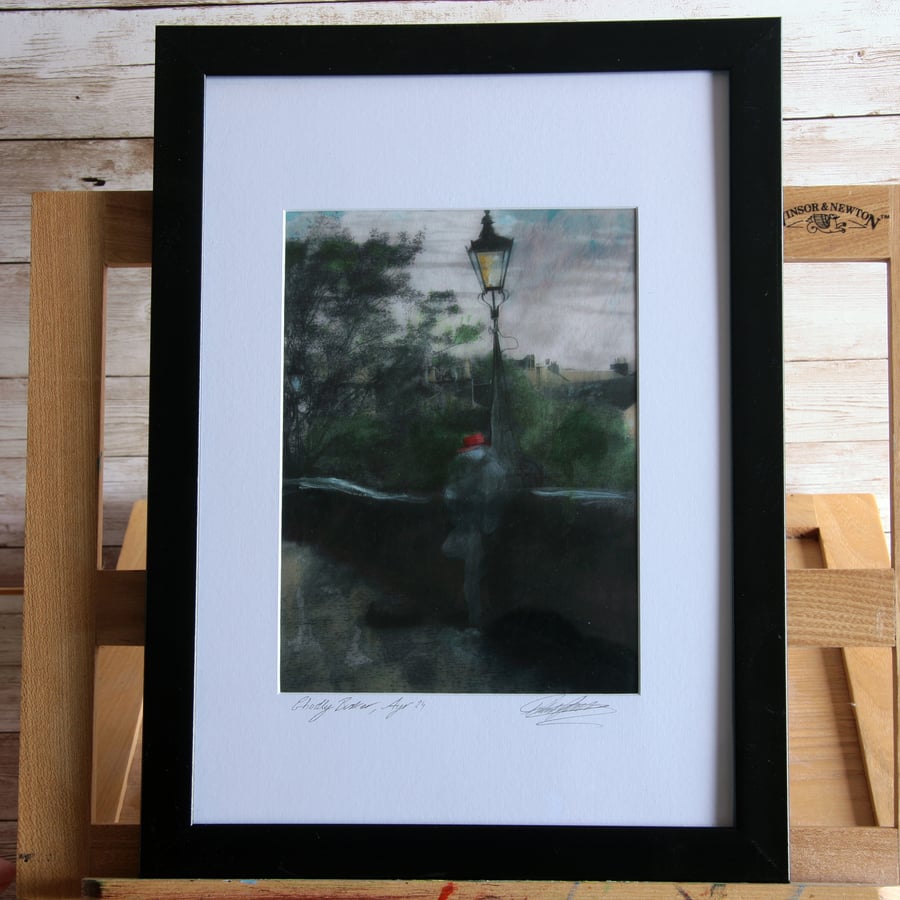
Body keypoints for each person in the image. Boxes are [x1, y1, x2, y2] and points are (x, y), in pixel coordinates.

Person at [441, 433, 508, 626]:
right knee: (470, 570)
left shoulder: (488, 470)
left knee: (473, 577)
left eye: (469, 453)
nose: (466, 456)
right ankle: (471, 612)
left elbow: (482, 499)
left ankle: (475, 621)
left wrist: (456, 495)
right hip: (482, 529)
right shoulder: (486, 467)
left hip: (482, 529)